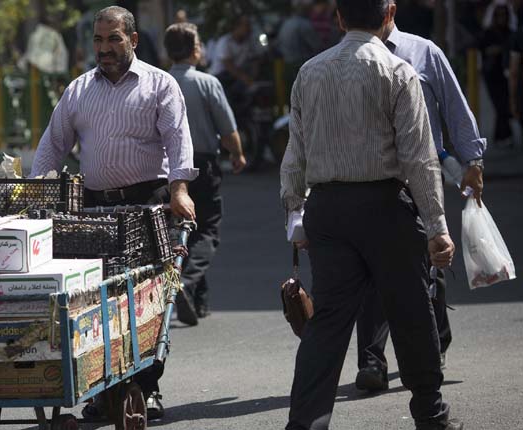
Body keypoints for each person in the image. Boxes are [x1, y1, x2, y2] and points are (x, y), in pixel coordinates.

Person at [280, 0, 462, 429]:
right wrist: (437, 227)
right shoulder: (397, 71)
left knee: (326, 326)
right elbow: (419, 158)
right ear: (388, 15)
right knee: (412, 314)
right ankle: (431, 417)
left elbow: (295, 155)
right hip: (385, 209)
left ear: (339, 18)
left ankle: (304, 424)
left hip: (327, 209)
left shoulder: (310, 71)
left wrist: (295, 214)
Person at [29, 5, 197, 420]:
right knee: (94, 303)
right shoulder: (79, 90)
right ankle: (101, 390)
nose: (104, 49)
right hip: (94, 209)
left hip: (147, 204)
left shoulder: (160, 85)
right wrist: (35, 192)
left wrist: (179, 189)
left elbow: (178, 140)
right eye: (99, 41)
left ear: (133, 40)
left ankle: (147, 388)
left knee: (146, 300)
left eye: (114, 39)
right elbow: (53, 145)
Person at [354, 0, 487, 392]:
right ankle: (372, 361)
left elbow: (454, 107)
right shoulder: (345, 60)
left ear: (390, 11)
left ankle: (436, 345)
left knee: (430, 267)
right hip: (371, 181)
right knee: (372, 274)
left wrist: (473, 160)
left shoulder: (423, 52)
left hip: (422, 178)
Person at [164, 23, 247, 325]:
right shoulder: (207, 82)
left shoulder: (157, 82)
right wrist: (237, 154)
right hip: (202, 166)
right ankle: (184, 284)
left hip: (168, 169)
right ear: (196, 49)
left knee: (181, 229)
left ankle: (198, 300)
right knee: (206, 231)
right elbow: (228, 129)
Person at [480, 2, 515, 147]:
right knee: (500, 105)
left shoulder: (510, 33)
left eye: (504, 15)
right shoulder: (488, 33)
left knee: (505, 105)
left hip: (506, 74)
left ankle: (502, 136)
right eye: (499, 15)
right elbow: (481, 49)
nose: (501, 18)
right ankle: (504, 136)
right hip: (492, 75)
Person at [277, 0, 322, 65]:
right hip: (302, 64)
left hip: (288, 63)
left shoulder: (286, 23)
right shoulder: (304, 24)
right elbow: (317, 47)